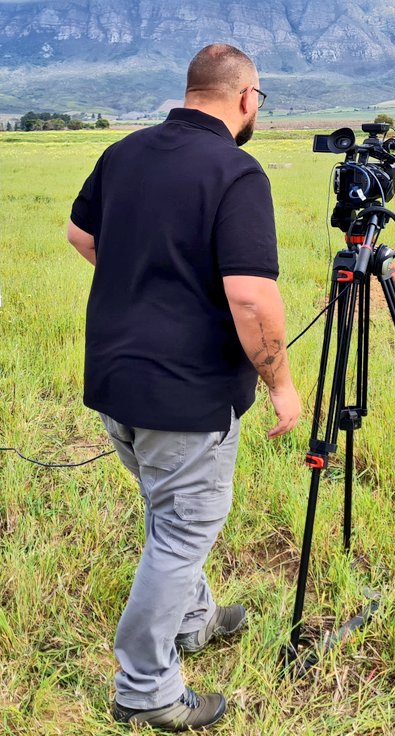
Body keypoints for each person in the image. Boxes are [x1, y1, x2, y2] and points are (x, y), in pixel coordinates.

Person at [67, 43, 302, 731]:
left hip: (116, 380)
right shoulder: (236, 171)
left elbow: (82, 236)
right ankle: (145, 689)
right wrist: (284, 387)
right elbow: (253, 300)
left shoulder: (126, 153)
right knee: (182, 531)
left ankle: (194, 620)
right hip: (186, 395)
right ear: (247, 99)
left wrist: (147, 289)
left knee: (165, 512)